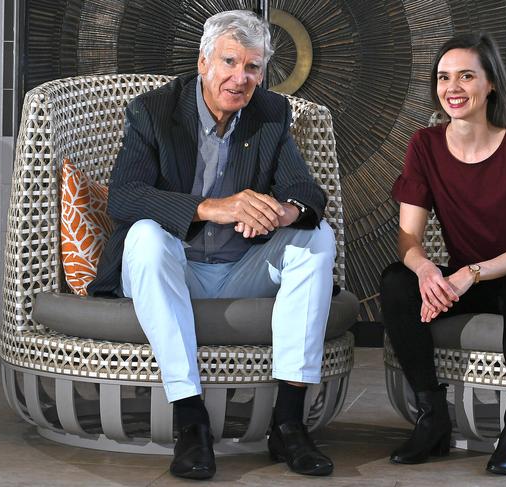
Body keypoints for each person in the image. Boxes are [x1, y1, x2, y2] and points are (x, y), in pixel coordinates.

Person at [88, 10, 336, 480]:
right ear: (203, 62)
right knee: (143, 233)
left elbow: (308, 192)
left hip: (243, 270)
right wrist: (210, 207)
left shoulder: (271, 113)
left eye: (253, 68)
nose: (240, 78)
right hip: (172, 268)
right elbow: (124, 197)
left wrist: (284, 212)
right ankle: (191, 420)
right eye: (229, 62)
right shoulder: (154, 110)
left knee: (315, 235)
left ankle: (288, 422)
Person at [380, 32, 506, 475]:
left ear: (490, 85)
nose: (453, 87)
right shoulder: (424, 145)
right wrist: (427, 269)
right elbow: (408, 239)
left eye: (467, 76)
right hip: (470, 280)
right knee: (397, 280)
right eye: (445, 77)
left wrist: (469, 272)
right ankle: (432, 418)